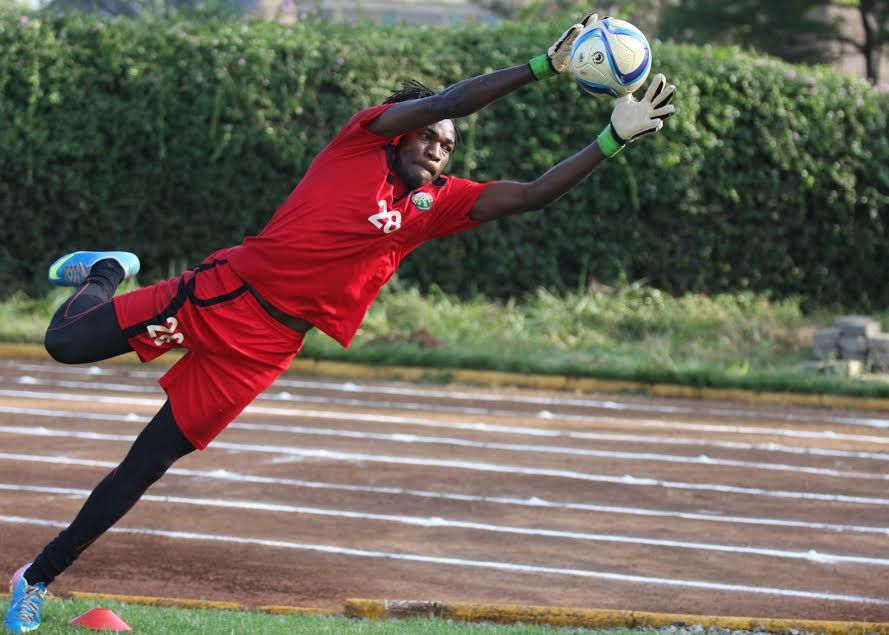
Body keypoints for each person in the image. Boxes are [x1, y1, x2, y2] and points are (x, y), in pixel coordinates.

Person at [4, 12, 675, 633]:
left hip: (266, 348)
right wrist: (543, 66)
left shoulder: (436, 205)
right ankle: (106, 271)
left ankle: (36, 577)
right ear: (404, 130)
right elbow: (449, 101)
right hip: (224, 294)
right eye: (430, 135)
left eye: (448, 146)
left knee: (145, 464)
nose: (439, 147)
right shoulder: (361, 141)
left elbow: (529, 195)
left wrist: (611, 139)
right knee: (64, 344)